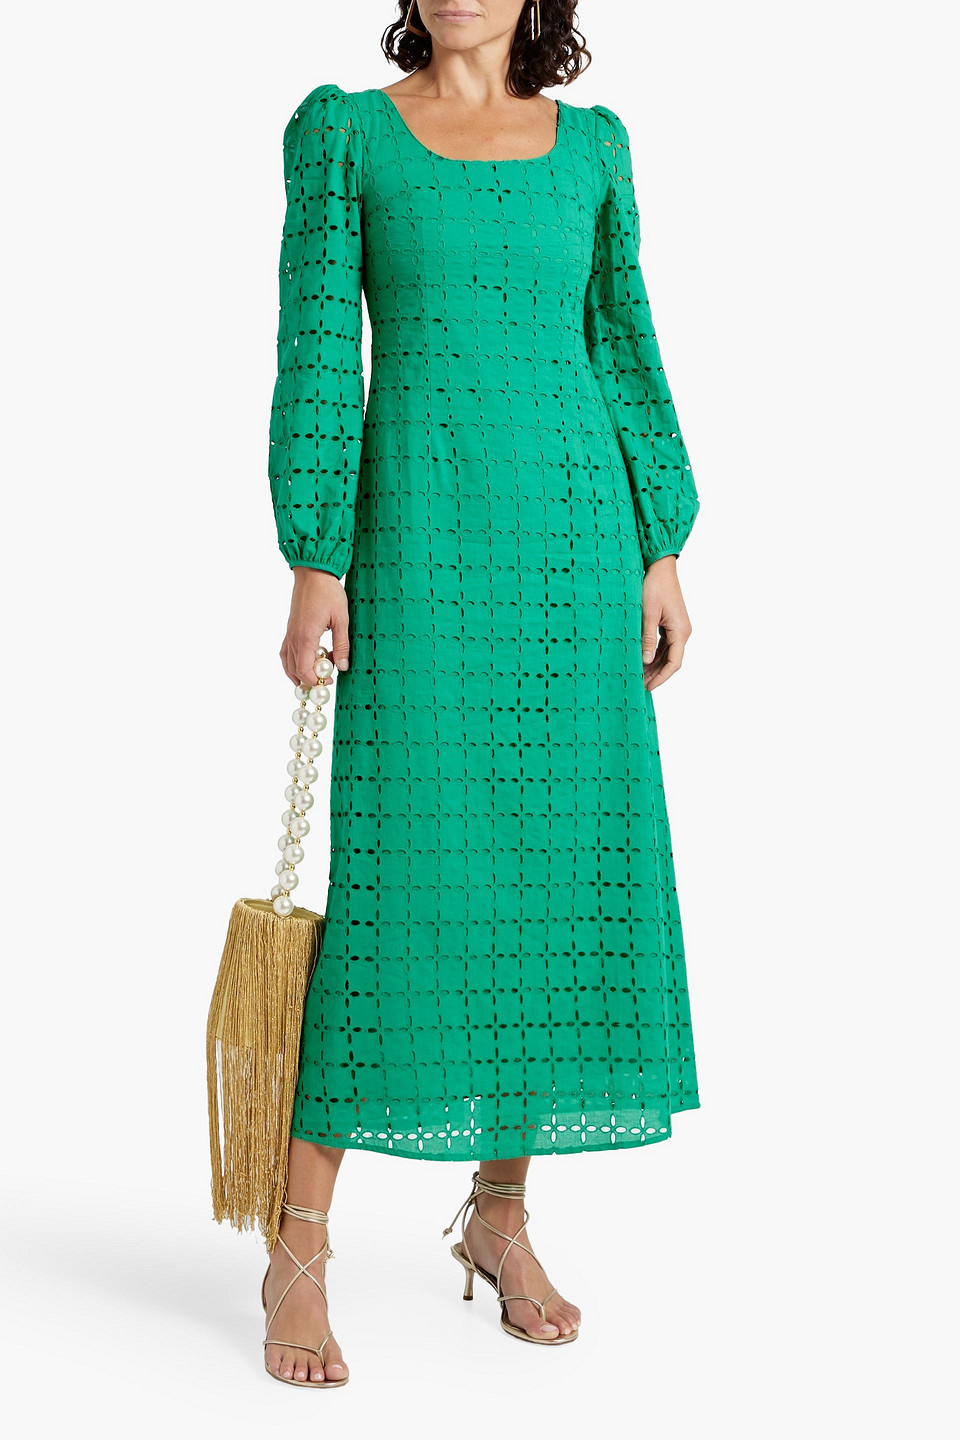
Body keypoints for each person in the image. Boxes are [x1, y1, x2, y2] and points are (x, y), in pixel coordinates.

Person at [262, 0, 701, 1388]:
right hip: (420, 539)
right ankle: (297, 1246)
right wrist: (315, 557)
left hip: (575, 550)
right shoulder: (347, 136)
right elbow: (321, 353)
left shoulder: (594, 147)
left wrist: (661, 546)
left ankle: (500, 1218)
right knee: (397, 882)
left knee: (548, 886)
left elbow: (622, 342)